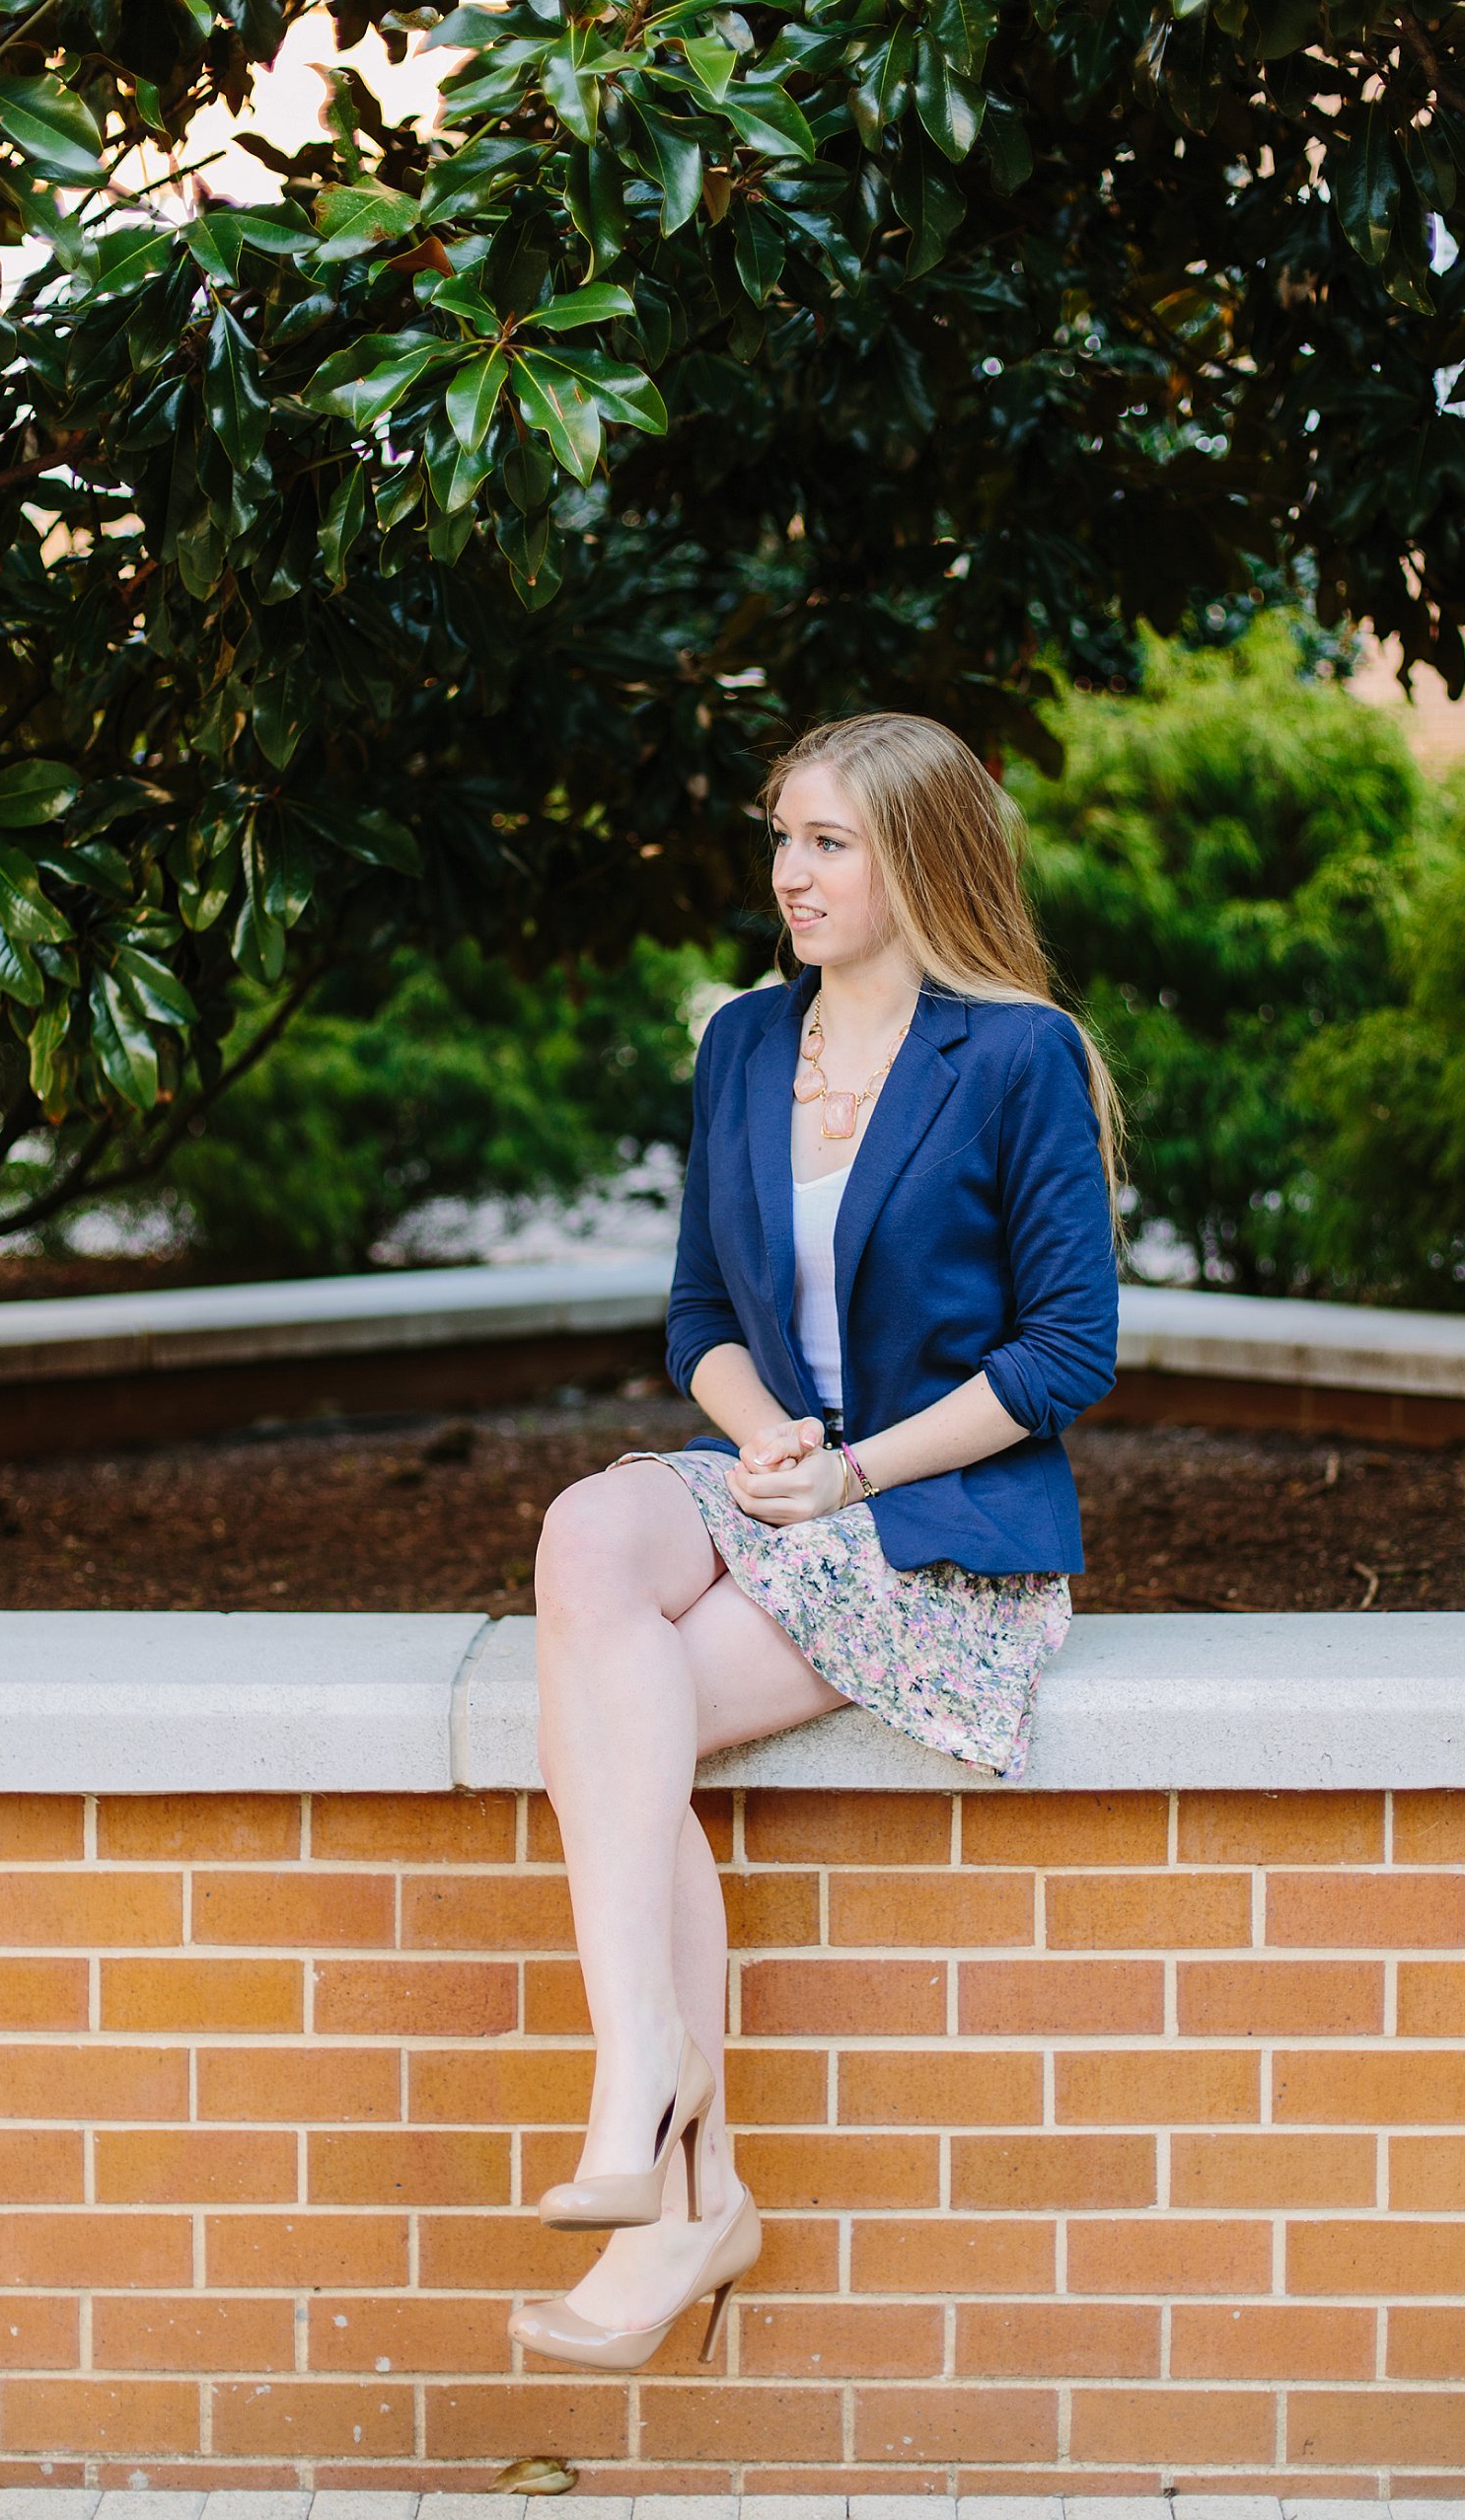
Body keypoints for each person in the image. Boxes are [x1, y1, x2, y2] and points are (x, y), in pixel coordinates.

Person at [505, 712, 1121, 2369]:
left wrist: (850, 1477)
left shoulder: (1015, 1055)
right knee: (586, 1532)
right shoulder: (741, 1046)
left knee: (613, 1729)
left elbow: (1067, 1354)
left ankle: (684, 2175)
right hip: (777, 1479)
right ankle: (650, 2081)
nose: (791, 871)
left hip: (934, 1525)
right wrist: (760, 1423)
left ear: (921, 856)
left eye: (831, 841)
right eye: (783, 836)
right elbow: (700, 1315)